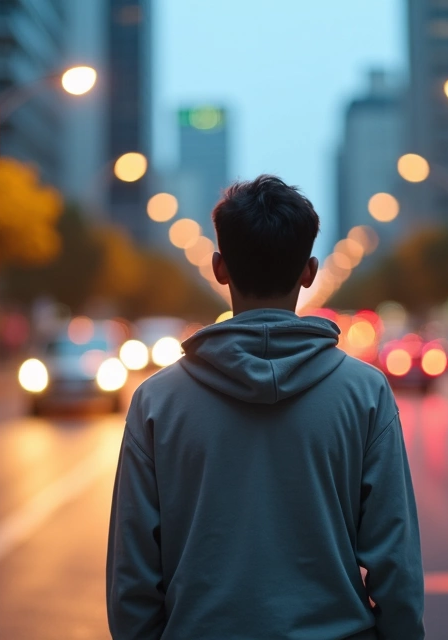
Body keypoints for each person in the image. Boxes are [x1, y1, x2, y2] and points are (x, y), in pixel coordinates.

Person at [107, 175, 424, 639]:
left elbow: (131, 582)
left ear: (220, 267)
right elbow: (395, 566)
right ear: (309, 272)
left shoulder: (156, 402)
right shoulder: (366, 393)